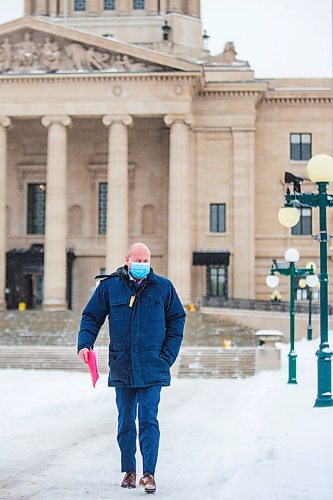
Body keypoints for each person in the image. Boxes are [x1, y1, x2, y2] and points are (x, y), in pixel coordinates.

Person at [77, 242, 186, 494]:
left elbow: (177, 321)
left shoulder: (163, 288)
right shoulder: (110, 287)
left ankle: (149, 474)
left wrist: (166, 357)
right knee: (125, 421)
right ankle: (129, 471)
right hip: (122, 365)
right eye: (137, 260)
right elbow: (91, 316)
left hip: (152, 367)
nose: (141, 265)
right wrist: (85, 343)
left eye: (145, 260)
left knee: (148, 419)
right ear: (127, 260)